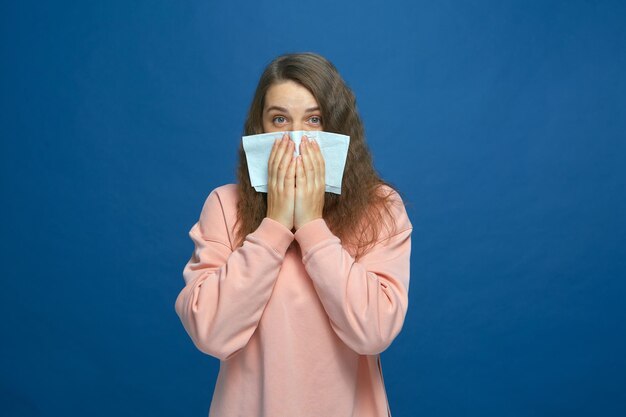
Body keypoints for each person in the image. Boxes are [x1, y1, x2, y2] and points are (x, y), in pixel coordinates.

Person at [174, 52, 413, 417]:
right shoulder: (224, 205)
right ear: (260, 129)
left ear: (338, 127)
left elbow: (374, 332)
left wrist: (312, 226)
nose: (296, 137)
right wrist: (275, 225)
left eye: (314, 119)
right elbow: (211, 333)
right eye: (280, 119)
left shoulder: (381, 207)